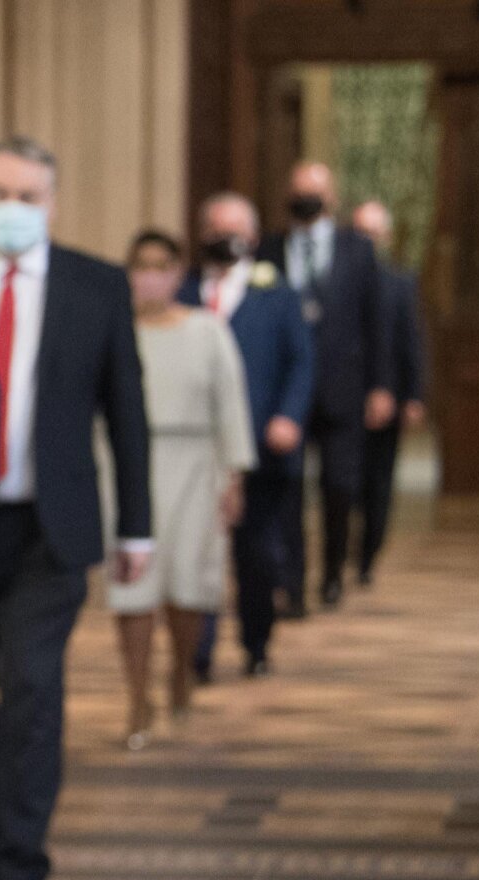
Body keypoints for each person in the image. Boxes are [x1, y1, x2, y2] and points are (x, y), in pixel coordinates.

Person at [0, 136, 153, 880]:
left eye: (29, 197)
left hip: (49, 527)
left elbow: (125, 413)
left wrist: (139, 529)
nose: (13, 210)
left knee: (33, 689)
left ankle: (23, 863)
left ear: (53, 204)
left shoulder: (95, 286)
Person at [111, 231, 254, 748]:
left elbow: (230, 403)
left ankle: (181, 672)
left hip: (194, 466)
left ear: (177, 273)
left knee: (188, 585)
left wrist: (233, 473)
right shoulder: (114, 330)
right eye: (140, 265)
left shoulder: (207, 330)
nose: (149, 276)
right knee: (132, 587)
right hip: (126, 466)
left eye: (161, 265)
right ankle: (135, 696)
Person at [185, 191, 315, 681]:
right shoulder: (183, 291)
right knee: (198, 555)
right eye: (217, 229)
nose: (226, 238)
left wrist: (289, 416)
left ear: (255, 238)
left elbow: (300, 361)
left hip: (262, 448)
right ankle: (197, 651)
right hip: (197, 451)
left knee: (256, 554)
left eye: (236, 229)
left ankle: (256, 642)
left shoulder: (275, 294)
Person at [259, 161, 391, 614]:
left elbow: (377, 324)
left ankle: (333, 571)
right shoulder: (270, 249)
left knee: (339, 487)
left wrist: (381, 386)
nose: (306, 199)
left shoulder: (357, 249)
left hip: (343, 388)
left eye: (314, 191)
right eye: (298, 191)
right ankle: (291, 585)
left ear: (332, 197)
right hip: (287, 393)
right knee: (287, 491)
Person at [351, 199, 428, 586]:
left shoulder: (398, 283)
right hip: (344, 396)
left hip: (388, 397)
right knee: (344, 482)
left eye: (374, 233)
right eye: (361, 233)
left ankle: (367, 557)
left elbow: (410, 341)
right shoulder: (336, 281)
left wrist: (414, 395)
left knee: (379, 482)